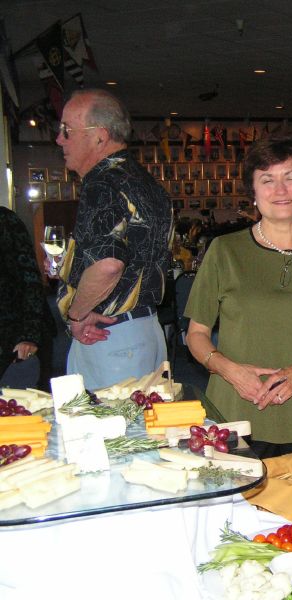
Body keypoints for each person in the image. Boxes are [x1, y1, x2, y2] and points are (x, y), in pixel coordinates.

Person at [184, 136, 292, 460]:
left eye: (291, 178)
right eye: (267, 180)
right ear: (253, 193)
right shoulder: (224, 251)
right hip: (235, 412)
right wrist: (230, 371)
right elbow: (196, 335)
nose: (280, 190)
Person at [55, 89, 173, 390]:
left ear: (99, 136)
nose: (59, 140)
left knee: (103, 435)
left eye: (67, 130)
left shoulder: (102, 183)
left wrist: (77, 314)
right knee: (144, 432)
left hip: (109, 338)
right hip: (146, 332)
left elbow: (108, 265)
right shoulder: (146, 182)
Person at [0, 207, 49, 388]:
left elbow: (30, 279)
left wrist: (29, 335)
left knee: (22, 409)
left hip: (13, 335)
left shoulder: (5, 221)